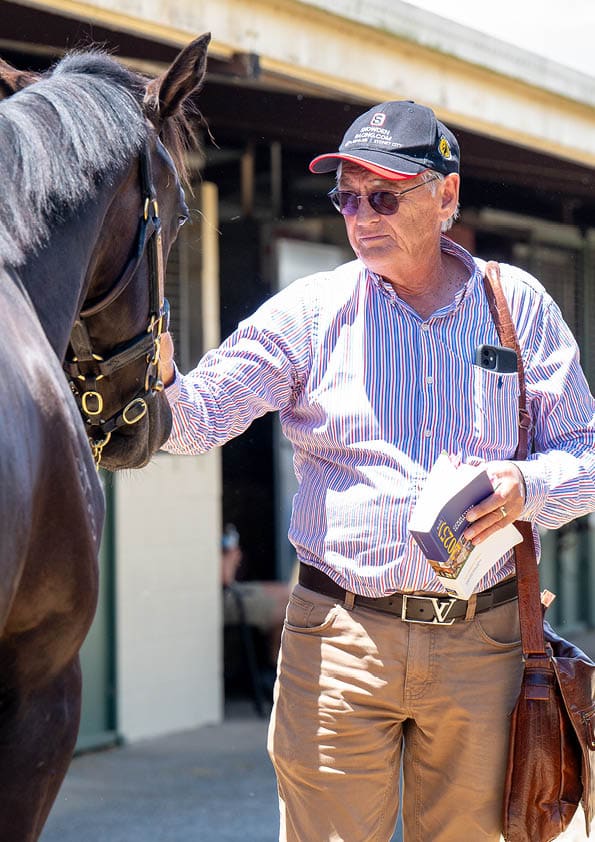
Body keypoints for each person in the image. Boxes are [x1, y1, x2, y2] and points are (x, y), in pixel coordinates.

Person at [159, 100, 595, 841]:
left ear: (446, 196)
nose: (360, 216)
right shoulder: (309, 312)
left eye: (384, 196)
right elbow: (198, 416)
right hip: (337, 637)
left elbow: (583, 455)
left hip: (480, 644)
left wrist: (529, 487)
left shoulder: (513, 307)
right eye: (347, 198)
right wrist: (154, 385)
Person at [221, 523, 291, 668]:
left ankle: (276, 668)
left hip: (231, 591)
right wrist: (230, 555)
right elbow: (225, 578)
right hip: (219, 600)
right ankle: (276, 669)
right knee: (289, 607)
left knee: (290, 596)